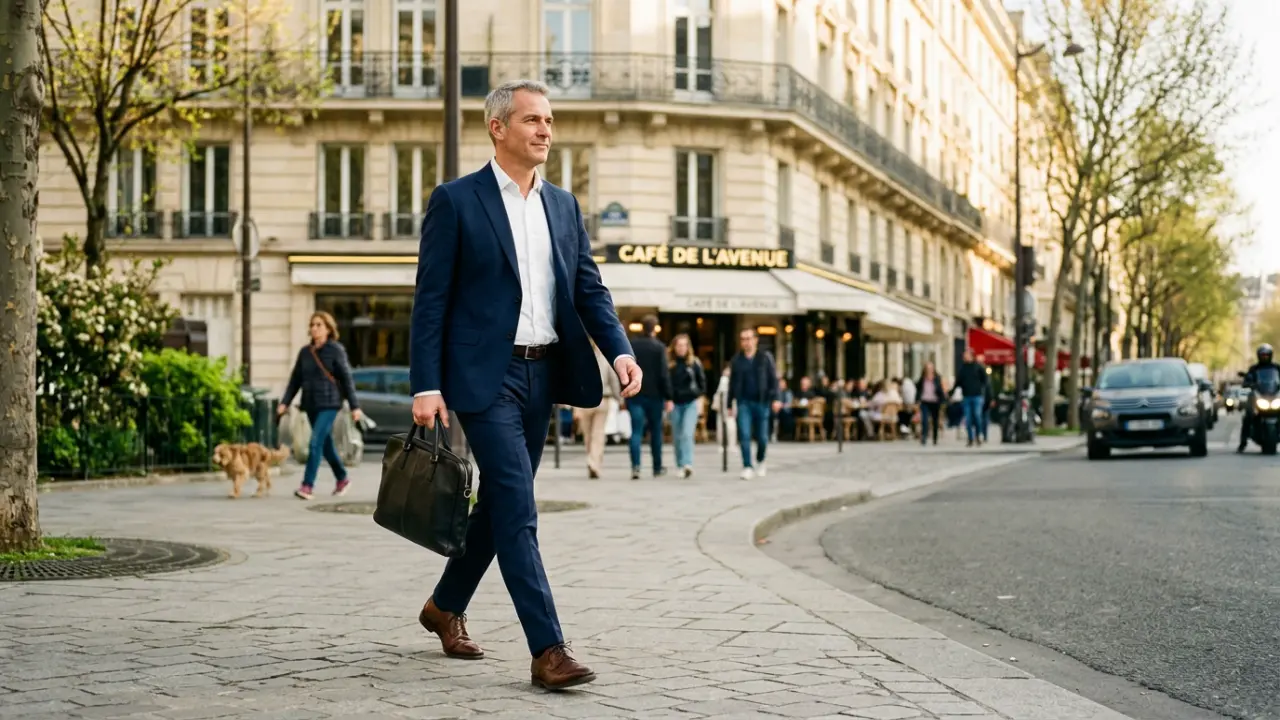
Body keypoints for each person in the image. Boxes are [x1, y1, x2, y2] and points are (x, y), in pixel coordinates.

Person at [407, 79, 642, 691]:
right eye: (533, 119)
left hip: (546, 371)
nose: (545, 130)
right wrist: (426, 384)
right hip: (485, 376)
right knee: (518, 505)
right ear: (498, 128)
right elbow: (430, 303)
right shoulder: (457, 201)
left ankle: (442, 605)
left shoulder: (561, 205)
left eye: (550, 120)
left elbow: (588, 287)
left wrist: (618, 349)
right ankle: (548, 650)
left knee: (498, 505)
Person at [278, 311, 362, 500]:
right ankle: (342, 478)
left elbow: (346, 379)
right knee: (325, 445)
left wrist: (355, 406)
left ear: (328, 329)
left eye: (319, 325)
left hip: (330, 403)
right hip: (310, 404)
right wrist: (285, 403)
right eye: (312, 325)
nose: (315, 328)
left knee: (315, 442)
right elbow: (295, 380)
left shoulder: (336, 350)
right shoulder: (305, 352)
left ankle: (307, 485)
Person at [727, 328, 781, 480]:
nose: (746, 342)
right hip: (744, 401)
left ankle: (761, 460)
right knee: (744, 434)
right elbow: (732, 383)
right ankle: (747, 466)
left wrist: (776, 398)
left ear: (755, 340)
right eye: (743, 339)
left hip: (762, 401)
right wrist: (729, 404)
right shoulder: (737, 360)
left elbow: (773, 379)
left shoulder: (765, 358)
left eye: (748, 338)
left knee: (762, 437)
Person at [627, 315, 673, 479]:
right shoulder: (659, 347)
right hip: (655, 395)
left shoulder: (632, 345)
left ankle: (636, 466)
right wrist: (668, 396)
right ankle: (657, 466)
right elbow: (663, 373)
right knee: (656, 432)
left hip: (635, 393)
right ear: (655, 328)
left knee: (636, 431)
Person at [576, 341, 621, 479]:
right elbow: (613, 379)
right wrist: (619, 398)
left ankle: (592, 460)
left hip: (584, 400)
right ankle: (594, 462)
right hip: (603, 398)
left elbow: (575, 379)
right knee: (598, 433)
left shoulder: (579, 357)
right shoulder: (604, 357)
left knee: (588, 434)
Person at [668, 333, 706, 477]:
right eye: (679, 345)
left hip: (691, 402)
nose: (682, 348)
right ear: (674, 347)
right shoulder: (669, 364)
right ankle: (679, 464)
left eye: (684, 345)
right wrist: (668, 399)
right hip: (675, 403)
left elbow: (702, 383)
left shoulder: (694, 363)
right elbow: (666, 384)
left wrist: (700, 399)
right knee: (677, 436)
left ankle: (687, 463)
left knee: (687, 433)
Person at [1238, 343, 1279, 453]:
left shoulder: (1276, 368)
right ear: (1259, 356)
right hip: (1259, 395)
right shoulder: (1254, 369)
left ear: (1270, 355)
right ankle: (1243, 442)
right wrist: (1248, 382)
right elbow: (1247, 380)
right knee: (1248, 416)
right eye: (1262, 355)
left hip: (1274, 394)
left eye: (1266, 355)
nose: (1264, 357)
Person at [956, 349, 990, 447]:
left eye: (966, 355)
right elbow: (958, 381)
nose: (964, 356)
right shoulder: (963, 368)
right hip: (966, 396)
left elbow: (985, 380)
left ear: (971, 356)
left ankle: (978, 435)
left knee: (977, 416)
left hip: (977, 395)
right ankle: (970, 438)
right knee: (968, 418)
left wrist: (981, 389)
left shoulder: (978, 367)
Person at [916, 362, 945, 446]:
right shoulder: (922, 378)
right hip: (925, 401)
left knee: (935, 420)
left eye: (931, 368)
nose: (929, 370)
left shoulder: (937, 378)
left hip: (935, 401)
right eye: (928, 368)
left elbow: (940, 389)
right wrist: (917, 399)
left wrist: (942, 398)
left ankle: (935, 438)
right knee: (924, 420)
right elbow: (918, 388)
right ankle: (924, 437)